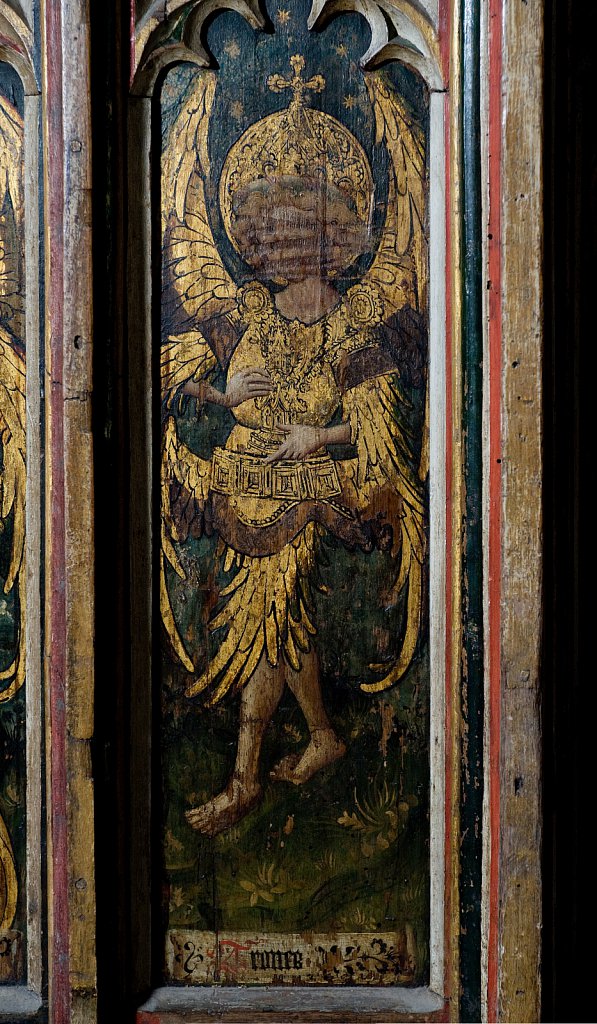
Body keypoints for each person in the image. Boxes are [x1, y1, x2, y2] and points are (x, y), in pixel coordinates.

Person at [161, 59, 426, 837]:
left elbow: (380, 421)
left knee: (266, 628)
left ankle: (243, 780)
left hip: (306, 485)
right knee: (282, 625)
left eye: (300, 234)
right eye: (268, 234)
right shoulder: (243, 311)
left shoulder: (348, 325)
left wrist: (320, 433)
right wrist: (220, 396)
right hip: (240, 484)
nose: (282, 248)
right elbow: (176, 377)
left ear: (333, 239)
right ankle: (321, 736)